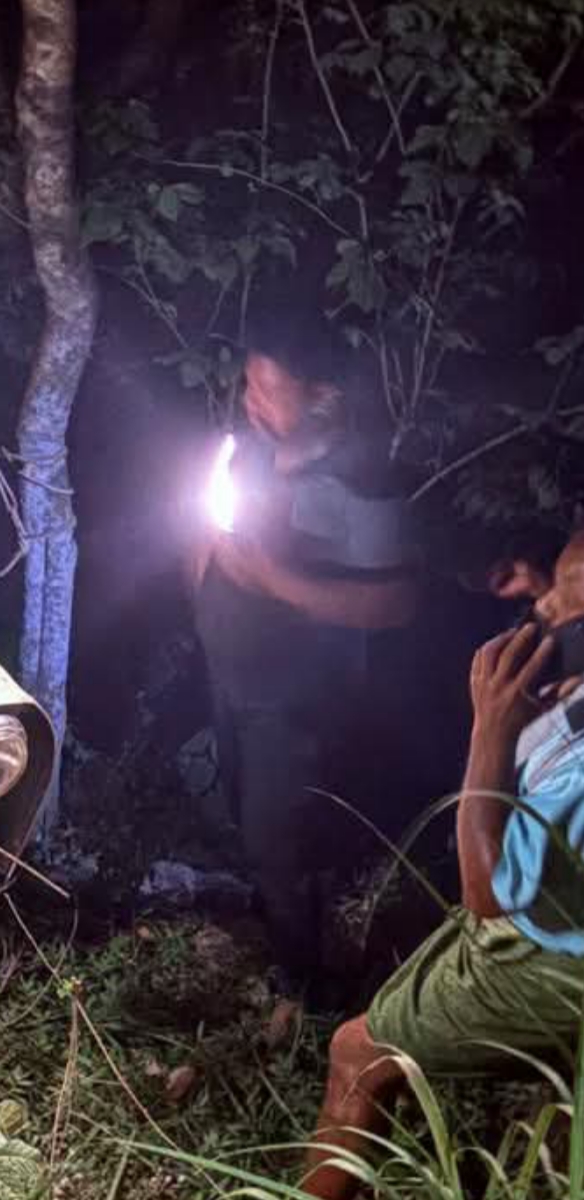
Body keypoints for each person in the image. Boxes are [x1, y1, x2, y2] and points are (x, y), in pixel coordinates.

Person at [300, 530, 584, 1200]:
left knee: (357, 1054)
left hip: (549, 951)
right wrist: (550, 596)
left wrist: (491, 728)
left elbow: (486, 894)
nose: (542, 604)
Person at [193, 317, 420, 1001]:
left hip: (296, 698)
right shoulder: (250, 450)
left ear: (321, 398)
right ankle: (274, 933)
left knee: (283, 837)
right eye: (249, 385)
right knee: (244, 808)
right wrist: (203, 591)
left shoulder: (363, 482)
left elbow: (395, 603)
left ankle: (309, 991)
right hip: (231, 675)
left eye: (269, 389)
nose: (253, 401)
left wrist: (274, 583)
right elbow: (208, 527)